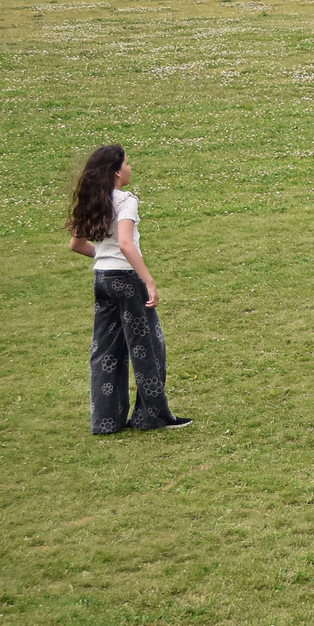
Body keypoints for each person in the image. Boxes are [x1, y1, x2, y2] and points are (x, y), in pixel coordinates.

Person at [67, 144, 190, 434]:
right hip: (126, 281)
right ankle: (152, 416)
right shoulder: (125, 201)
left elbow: (76, 244)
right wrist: (147, 279)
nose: (130, 167)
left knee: (106, 350)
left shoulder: (93, 200)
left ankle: (106, 421)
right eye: (127, 163)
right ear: (116, 171)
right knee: (148, 347)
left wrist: (104, 259)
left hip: (102, 280)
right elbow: (125, 243)